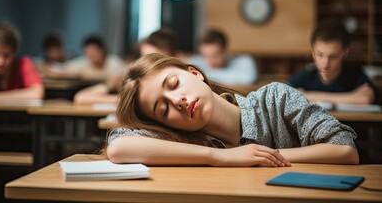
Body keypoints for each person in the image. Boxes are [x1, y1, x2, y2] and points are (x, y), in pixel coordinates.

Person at [104, 53, 359, 167]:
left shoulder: (274, 99)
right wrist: (222, 157)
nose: (177, 101)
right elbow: (118, 147)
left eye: (174, 84)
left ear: (195, 73)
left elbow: (345, 148)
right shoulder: (182, 140)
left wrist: (263, 156)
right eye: (162, 109)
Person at [74, 28, 178, 105]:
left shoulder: (176, 83)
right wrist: (122, 99)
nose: (146, 62)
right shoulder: (136, 77)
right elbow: (81, 98)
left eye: (154, 58)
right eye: (143, 57)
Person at [288, 19, 379, 105]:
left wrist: (308, 95)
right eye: (320, 55)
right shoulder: (304, 76)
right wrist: (352, 97)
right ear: (313, 53)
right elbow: (288, 97)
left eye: (333, 57)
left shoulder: (356, 75)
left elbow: (366, 98)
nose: (325, 64)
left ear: (345, 53)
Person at [0, 22, 44, 102]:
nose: (1, 62)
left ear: (15, 52)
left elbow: (36, 94)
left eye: (7, 56)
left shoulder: (24, 64)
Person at [187, 28, 258, 85]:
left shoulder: (244, 60)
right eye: (206, 56)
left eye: (216, 55)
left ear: (225, 50)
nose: (212, 61)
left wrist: (206, 76)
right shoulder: (196, 62)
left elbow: (248, 79)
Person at [43, 35, 125, 82]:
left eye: (93, 54)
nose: (91, 57)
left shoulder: (114, 62)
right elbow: (61, 69)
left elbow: (123, 76)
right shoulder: (84, 62)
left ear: (102, 50)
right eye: (88, 54)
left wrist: (84, 74)